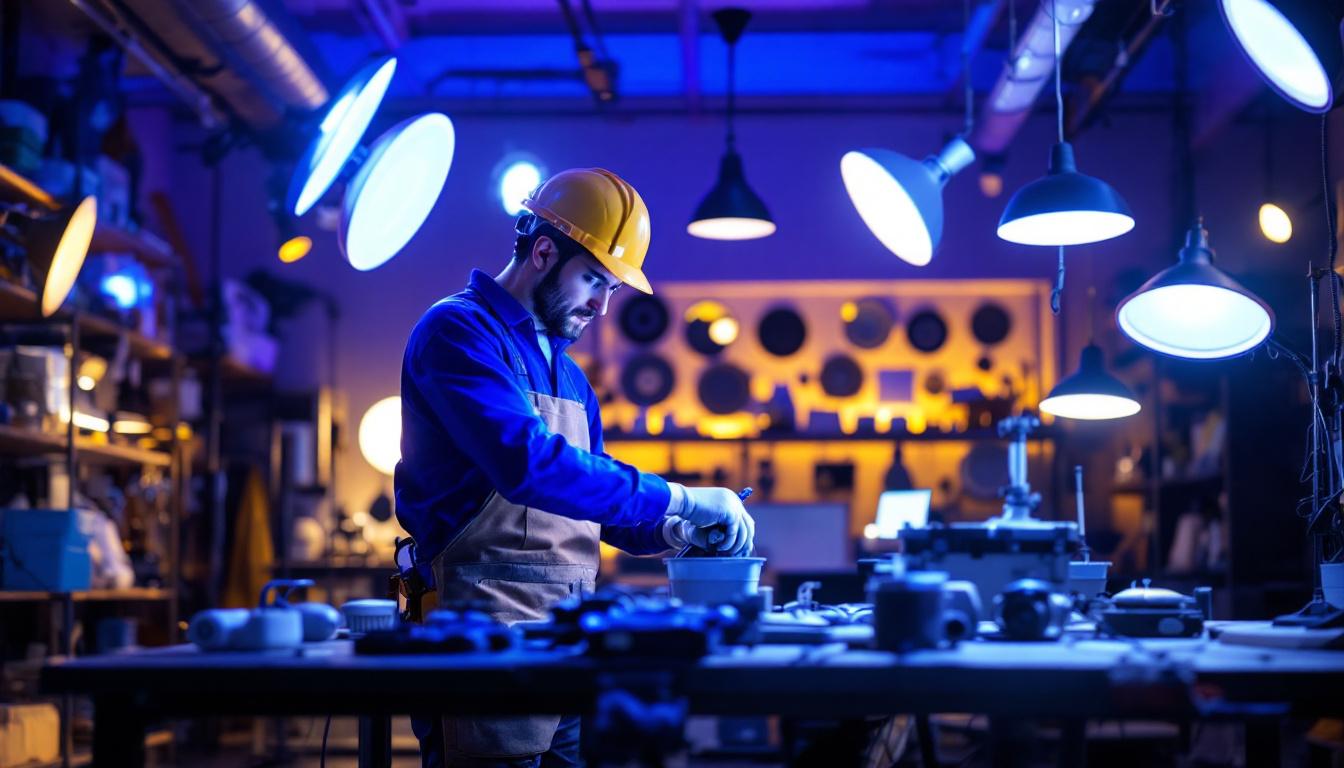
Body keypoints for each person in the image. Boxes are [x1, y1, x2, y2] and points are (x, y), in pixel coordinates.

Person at [395, 167, 755, 767]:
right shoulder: (458, 332)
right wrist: (685, 498)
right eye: (593, 279)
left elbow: (589, 499)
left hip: (567, 636)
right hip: (485, 633)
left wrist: (674, 532)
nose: (601, 305)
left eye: (611, 288)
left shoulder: (568, 374)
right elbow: (530, 467)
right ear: (542, 251)